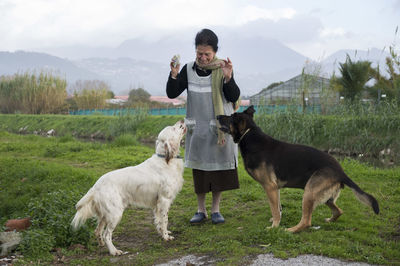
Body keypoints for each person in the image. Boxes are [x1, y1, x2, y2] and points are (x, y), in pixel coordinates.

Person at [166, 29, 240, 224]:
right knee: (199, 171)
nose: (203, 58)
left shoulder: (222, 68)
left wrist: (228, 77)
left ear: (215, 52)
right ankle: (201, 210)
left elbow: (233, 96)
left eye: (207, 54)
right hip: (197, 129)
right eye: (200, 53)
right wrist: (173, 75)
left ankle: (216, 210)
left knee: (217, 170)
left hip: (218, 131)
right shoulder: (188, 69)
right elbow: (172, 94)